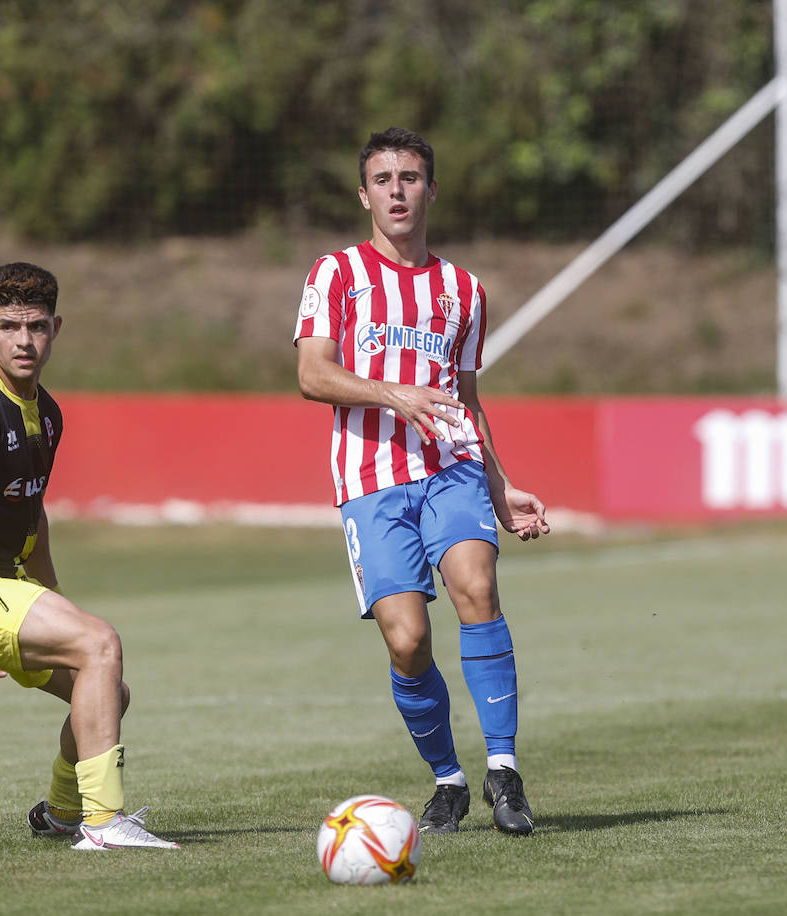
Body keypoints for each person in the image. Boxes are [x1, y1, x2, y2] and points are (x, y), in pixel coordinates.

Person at [293, 128, 550, 835]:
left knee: (476, 585)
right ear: (364, 194)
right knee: (407, 640)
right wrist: (391, 393)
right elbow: (312, 374)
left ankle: (505, 771)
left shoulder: (463, 289)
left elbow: (467, 397)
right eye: (383, 179)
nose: (398, 190)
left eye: (410, 177)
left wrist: (499, 486)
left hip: (451, 469)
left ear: (431, 190)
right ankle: (449, 779)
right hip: (370, 481)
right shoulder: (336, 275)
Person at [0, 261, 178, 851]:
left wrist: (53, 599)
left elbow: (34, 512)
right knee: (101, 644)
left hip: (4, 582)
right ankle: (105, 824)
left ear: (56, 327)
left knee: (106, 689)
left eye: (36, 327)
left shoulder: (46, 412)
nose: (24, 341)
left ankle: (60, 812)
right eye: (9, 327)